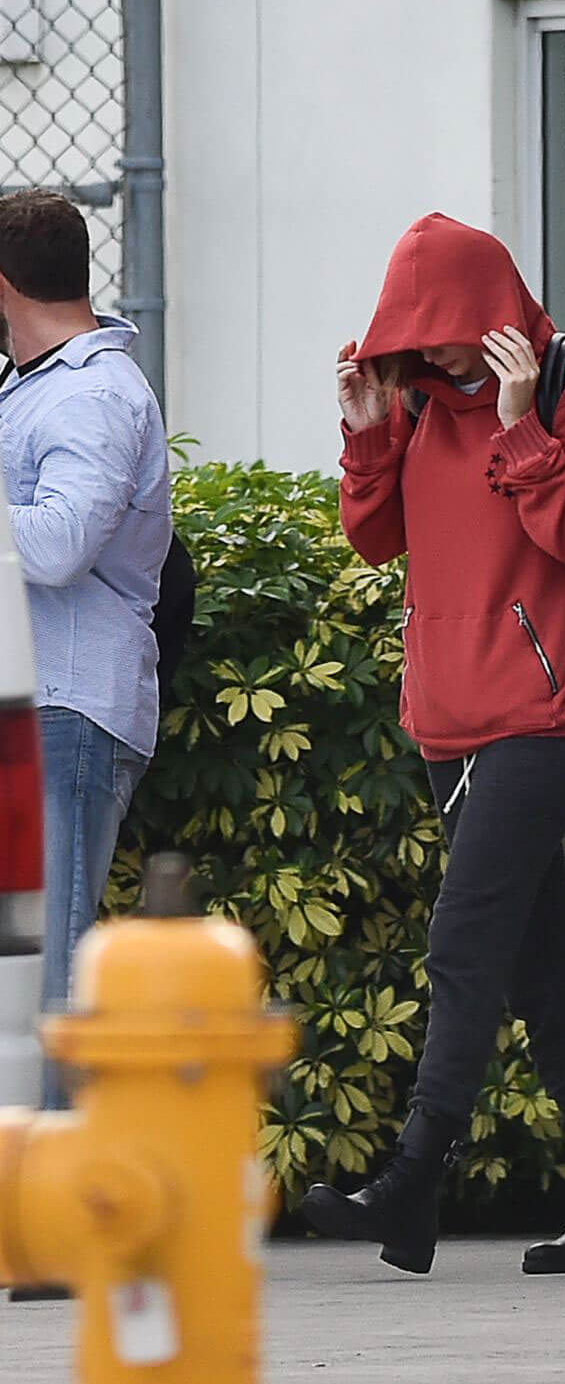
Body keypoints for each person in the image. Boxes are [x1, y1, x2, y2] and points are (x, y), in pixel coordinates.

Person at [300, 213, 565, 1277]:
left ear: (491, 307)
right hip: (448, 719)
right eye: (419, 332)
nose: (439, 348)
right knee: (543, 967)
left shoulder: (562, 381)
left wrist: (516, 422)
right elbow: (376, 538)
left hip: (550, 713)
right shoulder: (410, 402)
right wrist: (367, 431)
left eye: (450, 327)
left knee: (464, 941)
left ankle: (411, 1183)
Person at [0, 189, 171, 1111]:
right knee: (22, 976)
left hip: (69, 710)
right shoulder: (40, 387)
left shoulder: (96, 393)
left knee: (53, 974)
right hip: (38, 706)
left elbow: (61, 543)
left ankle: (54, 1235)